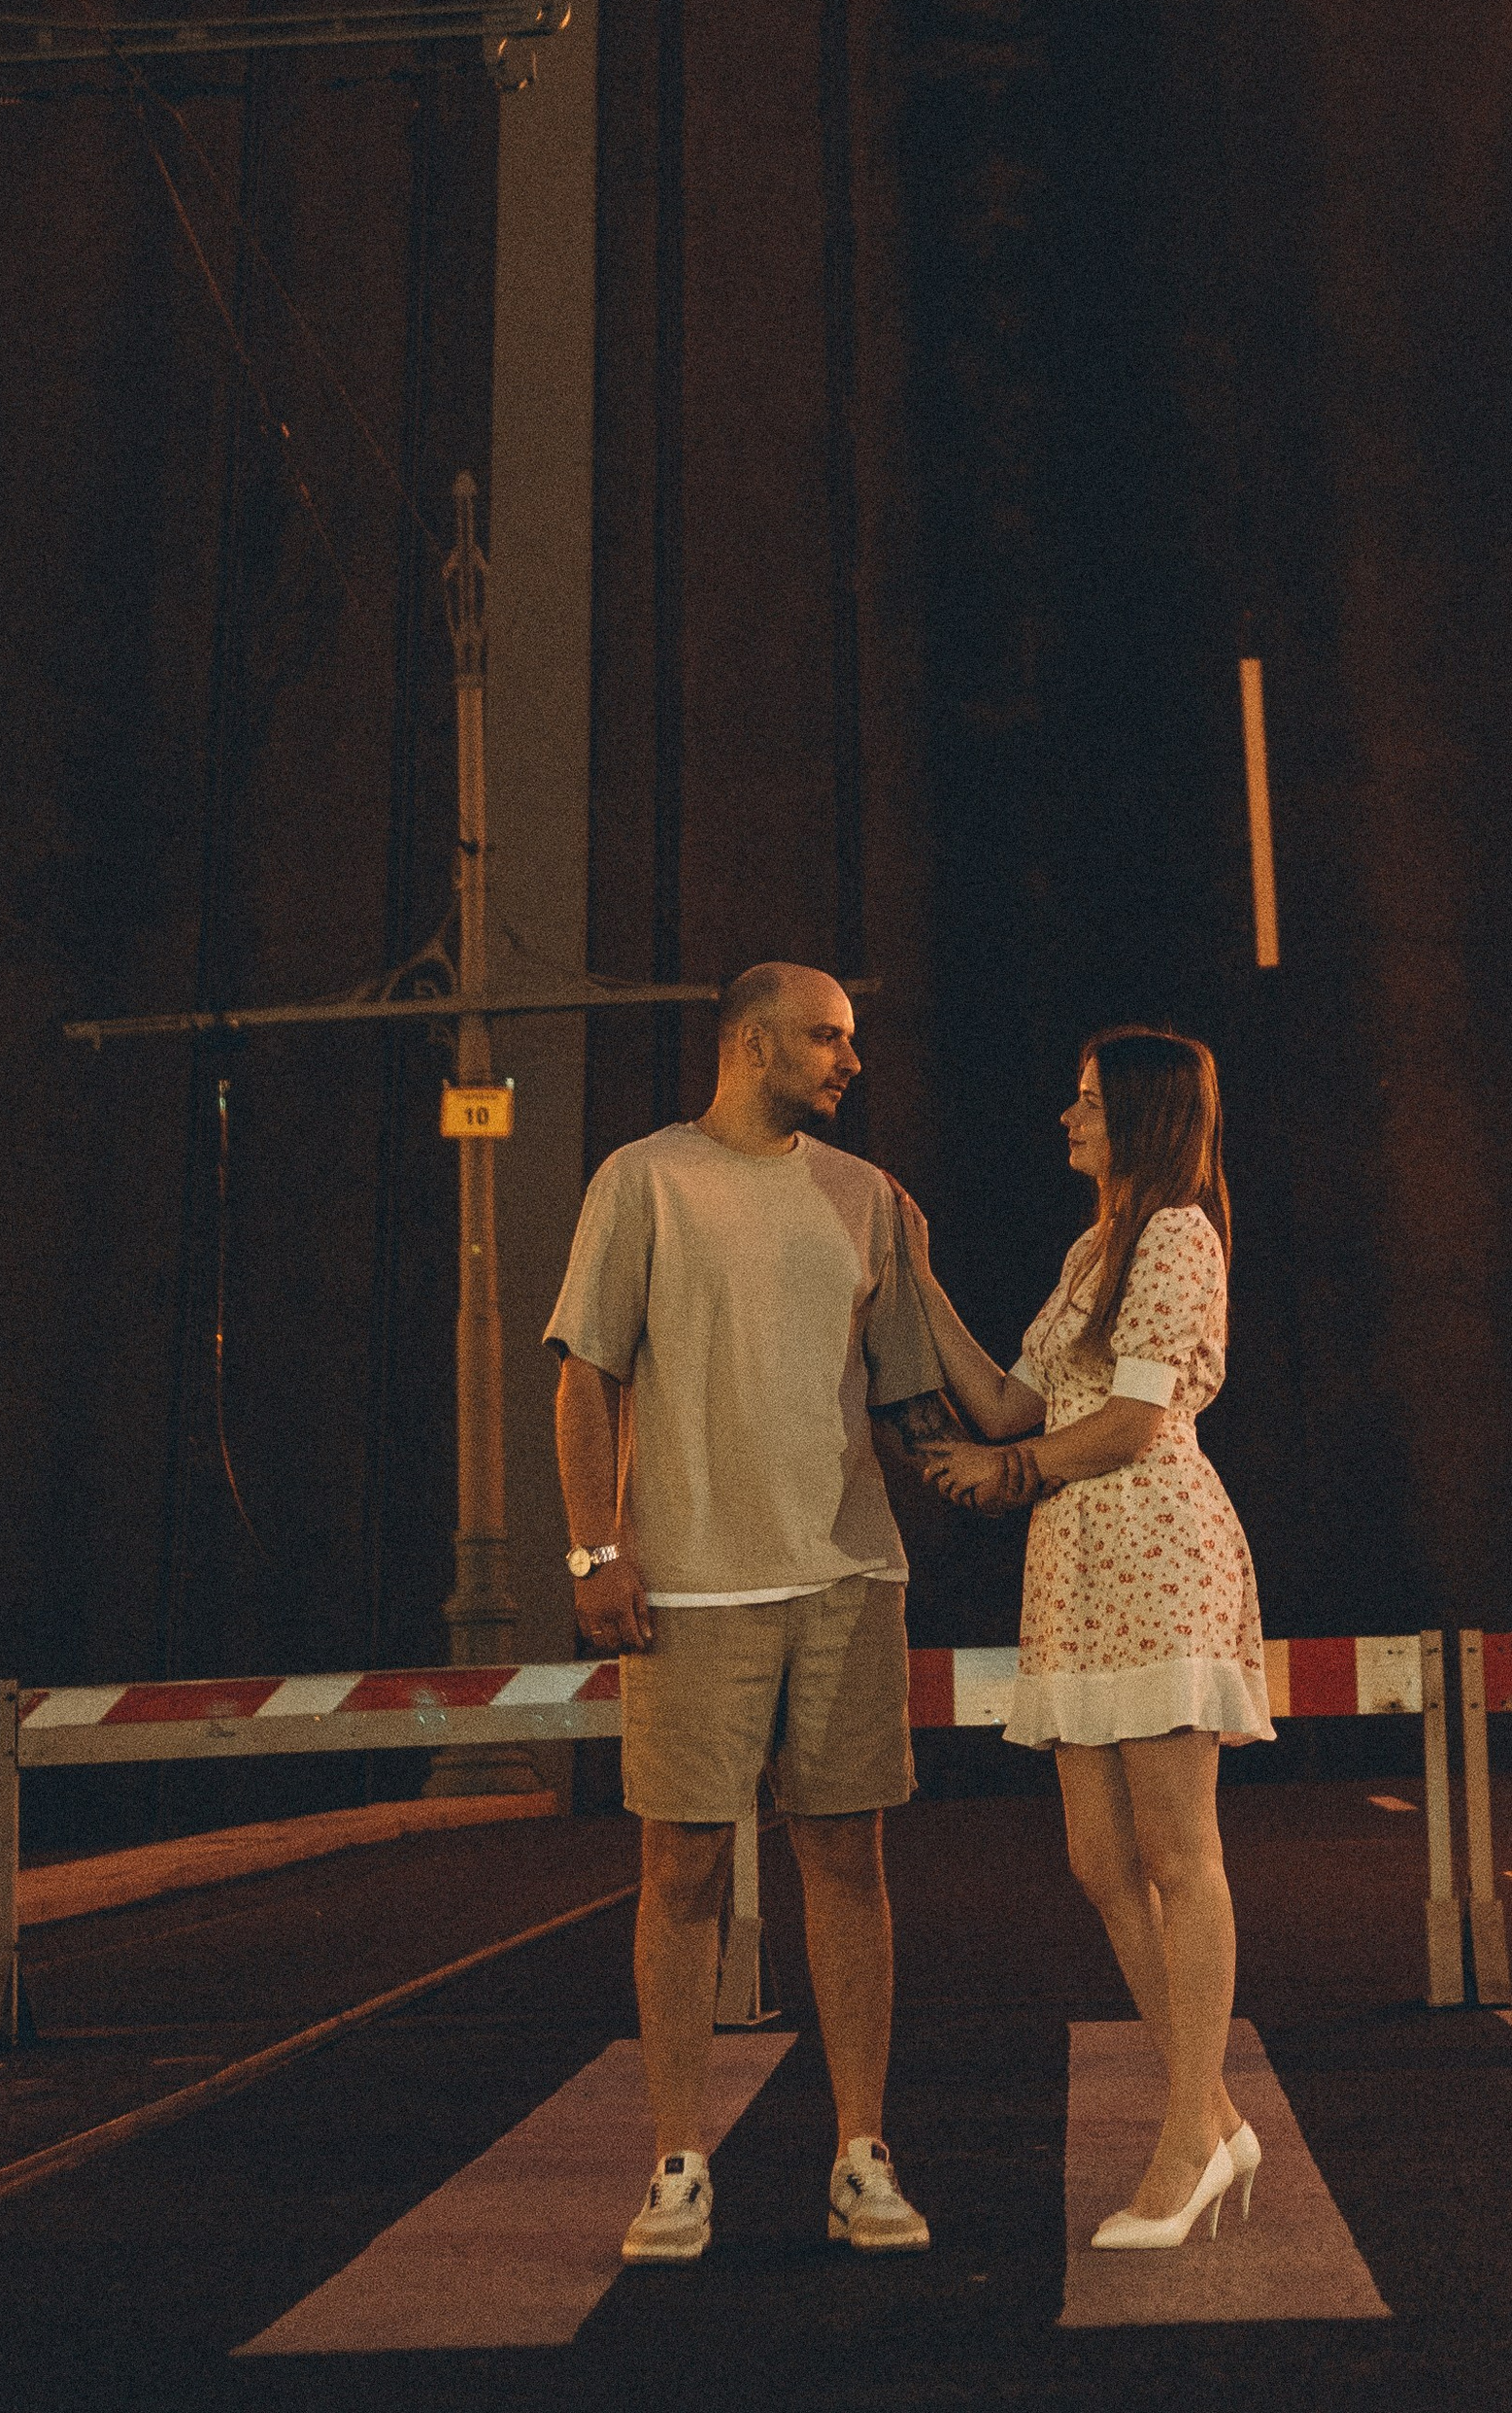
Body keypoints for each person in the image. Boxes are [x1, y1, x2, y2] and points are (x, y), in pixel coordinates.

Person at [546, 961, 966, 2269]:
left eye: (853, 1040)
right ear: (749, 1042)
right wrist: (594, 1553)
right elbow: (585, 1374)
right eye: (826, 1038)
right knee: (678, 1868)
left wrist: (1041, 1450)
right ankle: (680, 2159)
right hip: (692, 1585)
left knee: (848, 1858)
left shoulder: (867, 1198)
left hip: (847, 1582)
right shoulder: (643, 1178)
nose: (850, 1061)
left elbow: (911, 1397)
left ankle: (860, 2153)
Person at [909, 1026, 1273, 2251]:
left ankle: (1186, 2141)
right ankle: (1212, 2111)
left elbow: (1125, 1422)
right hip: (1076, 1566)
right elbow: (1018, 1398)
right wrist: (917, 1283)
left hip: (1155, 1547)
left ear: (1141, 1117)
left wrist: (1007, 1472)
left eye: (1084, 1102)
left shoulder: (1177, 1233)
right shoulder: (1092, 1246)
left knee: (1180, 1852)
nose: (1065, 1119)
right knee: (1097, 1858)